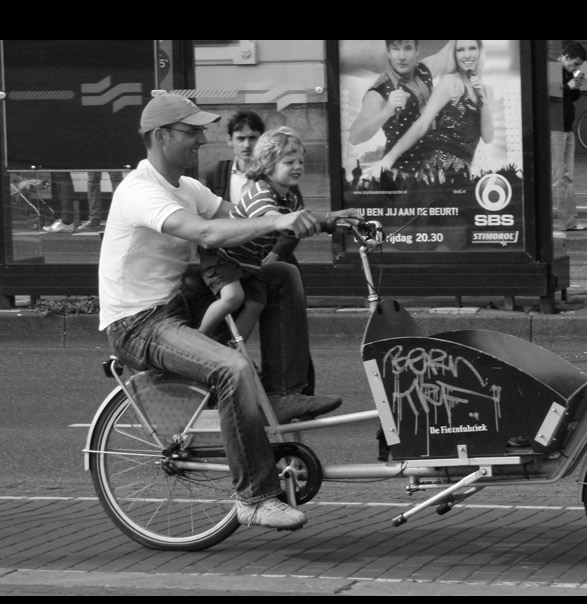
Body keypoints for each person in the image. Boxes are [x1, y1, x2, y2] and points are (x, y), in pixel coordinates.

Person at [98, 93, 361, 531]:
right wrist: (275, 222)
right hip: (138, 324)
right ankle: (255, 497)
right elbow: (206, 230)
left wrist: (328, 218)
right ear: (162, 137)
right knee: (233, 370)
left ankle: (282, 391)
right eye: (192, 132)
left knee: (279, 274)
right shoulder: (139, 191)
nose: (202, 140)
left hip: (177, 307)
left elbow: (240, 217)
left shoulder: (186, 187)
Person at [197, 127, 308, 341]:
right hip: (223, 256)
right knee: (233, 297)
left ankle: (236, 348)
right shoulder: (261, 192)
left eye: (300, 162)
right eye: (289, 163)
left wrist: (336, 218)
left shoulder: (290, 198)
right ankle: (200, 338)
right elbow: (269, 216)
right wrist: (282, 220)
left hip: (250, 261)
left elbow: (306, 217)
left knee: (257, 303)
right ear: (267, 166)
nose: (297, 167)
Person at [366, 39, 494, 184]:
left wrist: (483, 101)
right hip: (438, 166)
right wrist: (389, 159)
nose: (466, 55)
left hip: (463, 171)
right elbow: (423, 123)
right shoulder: (450, 82)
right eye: (460, 50)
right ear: (454, 54)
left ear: (480, 51)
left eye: (472, 48)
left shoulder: (486, 91)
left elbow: (488, 137)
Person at [349, 40, 434, 178]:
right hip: (402, 172)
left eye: (407, 48)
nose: (401, 56)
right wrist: (386, 112)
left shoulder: (423, 70)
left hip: (434, 168)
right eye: (396, 49)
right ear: (388, 51)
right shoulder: (379, 90)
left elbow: (449, 54)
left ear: (416, 51)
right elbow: (355, 137)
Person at [553, 41, 587, 232]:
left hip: (567, 129)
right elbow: (549, 95)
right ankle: (558, 222)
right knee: (558, 177)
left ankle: (570, 221)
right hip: (555, 129)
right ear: (566, 57)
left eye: (578, 66)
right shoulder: (551, 69)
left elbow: (571, 98)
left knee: (568, 177)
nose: (575, 68)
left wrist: (575, 86)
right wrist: (569, 85)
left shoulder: (568, 73)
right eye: (574, 64)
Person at [205, 110, 266, 204]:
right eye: (241, 139)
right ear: (230, 140)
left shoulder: (272, 172)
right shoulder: (217, 174)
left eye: (252, 138)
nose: (247, 145)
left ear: (262, 139)